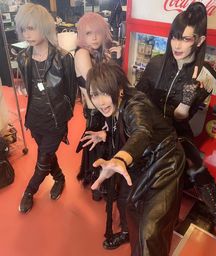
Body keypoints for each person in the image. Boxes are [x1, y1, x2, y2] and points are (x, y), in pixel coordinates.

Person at [136, 2, 216, 244]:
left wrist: (186, 103)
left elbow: (186, 119)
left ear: (200, 41)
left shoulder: (206, 75)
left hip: (177, 131)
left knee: (196, 163)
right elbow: (137, 100)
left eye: (185, 39)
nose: (177, 45)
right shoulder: (157, 63)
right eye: (174, 37)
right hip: (149, 127)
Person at [82, 62, 185, 255]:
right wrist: (105, 135)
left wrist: (120, 159)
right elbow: (124, 126)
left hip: (165, 162)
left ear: (119, 89)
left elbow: (142, 132)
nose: (101, 101)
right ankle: (128, 233)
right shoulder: (114, 105)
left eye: (106, 93)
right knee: (128, 205)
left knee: (150, 231)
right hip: (139, 160)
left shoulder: (136, 105)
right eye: (95, 94)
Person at [15, 3, 76, 213]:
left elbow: (71, 91)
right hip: (34, 118)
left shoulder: (64, 57)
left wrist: (64, 117)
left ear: (44, 26)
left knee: (42, 160)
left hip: (55, 120)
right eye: (23, 29)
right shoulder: (23, 57)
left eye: (32, 27)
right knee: (47, 155)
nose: (27, 34)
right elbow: (28, 86)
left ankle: (29, 191)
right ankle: (59, 178)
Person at [74, 12, 122, 200]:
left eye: (97, 33)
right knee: (97, 145)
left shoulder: (99, 52)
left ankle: (101, 181)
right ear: (81, 36)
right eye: (88, 33)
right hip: (95, 110)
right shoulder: (82, 53)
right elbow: (97, 85)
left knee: (103, 143)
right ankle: (97, 185)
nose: (93, 38)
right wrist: (113, 62)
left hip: (102, 107)